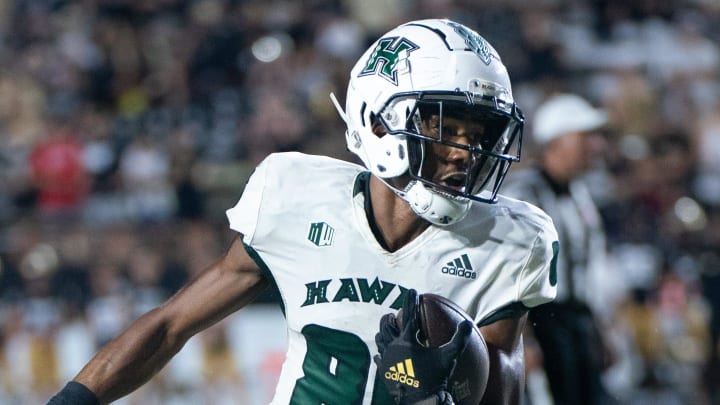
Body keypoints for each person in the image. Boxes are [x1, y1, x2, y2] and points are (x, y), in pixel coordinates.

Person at [47, 19, 558, 405]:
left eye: (480, 135)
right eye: (448, 128)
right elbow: (170, 326)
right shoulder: (297, 193)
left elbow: (505, 388)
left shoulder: (511, 240)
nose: (465, 154)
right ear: (378, 120)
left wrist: (448, 383)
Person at [502, 93, 614, 405]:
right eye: (584, 138)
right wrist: (522, 337)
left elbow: (588, 267)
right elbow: (510, 269)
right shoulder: (524, 195)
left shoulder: (580, 193)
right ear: (557, 141)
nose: (596, 146)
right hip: (543, 320)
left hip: (577, 321)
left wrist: (599, 327)